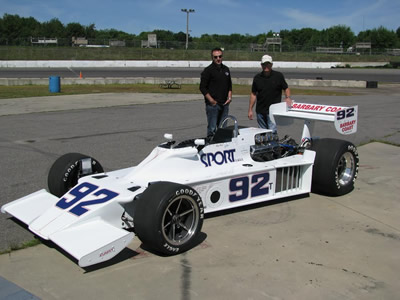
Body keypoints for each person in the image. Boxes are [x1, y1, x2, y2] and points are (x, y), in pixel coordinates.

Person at [248, 54, 292, 137]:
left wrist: (288, 98)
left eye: (268, 64)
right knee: (261, 133)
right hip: (260, 111)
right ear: (261, 65)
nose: (266, 66)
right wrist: (250, 109)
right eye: (264, 64)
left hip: (273, 111)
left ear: (271, 64)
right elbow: (253, 94)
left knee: (272, 133)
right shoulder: (257, 78)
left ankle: (273, 148)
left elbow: (286, 88)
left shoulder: (278, 76)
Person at [200, 47, 232, 138]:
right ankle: (211, 145)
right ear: (212, 58)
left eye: (220, 56)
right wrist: (211, 101)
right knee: (212, 128)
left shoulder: (226, 69)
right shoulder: (208, 71)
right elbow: (202, 87)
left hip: (224, 104)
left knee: (223, 128)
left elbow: (229, 85)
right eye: (216, 57)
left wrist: (229, 97)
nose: (218, 59)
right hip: (213, 105)